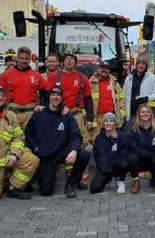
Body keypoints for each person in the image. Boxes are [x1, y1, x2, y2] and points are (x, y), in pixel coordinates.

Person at [25, 87, 90, 198]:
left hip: (61, 151)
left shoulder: (67, 115)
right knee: (46, 192)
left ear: (61, 98)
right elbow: (28, 133)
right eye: (53, 95)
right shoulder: (39, 113)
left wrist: (74, 151)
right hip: (46, 155)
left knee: (84, 154)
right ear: (49, 97)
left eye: (58, 95)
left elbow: (76, 135)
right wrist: (35, 148)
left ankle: (71, 183)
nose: (56, 97)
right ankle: (41, 177)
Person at [46, 52, 94, 189]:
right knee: (55, 143)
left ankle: (82, 179)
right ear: (63, 62)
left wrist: (89, 118)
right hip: (57, 115)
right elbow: (47, 96)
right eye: (67, 59)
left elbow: (88, 99)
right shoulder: (54, 77)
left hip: (76, 114)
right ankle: (52, 177)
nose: (69, 62)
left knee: (83, 144)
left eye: (72, 60)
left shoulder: (82, 78)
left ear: (75, 62)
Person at [0, 47, 46, 130]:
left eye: (26, 58)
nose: (24, 61)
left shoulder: (37, 76)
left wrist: (41, 106)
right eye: (21, 58)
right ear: (17, 59)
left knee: (30, 140)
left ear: (30, 59)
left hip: (31, 113)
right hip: (12, 113)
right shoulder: (5, 75)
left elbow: (44, 94)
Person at [127, 104, 155, 194]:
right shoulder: (133, 130)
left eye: (147, 112)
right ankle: (135, 181)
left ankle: (153, 176)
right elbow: (132, 148)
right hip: (140, 160)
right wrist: (148, 154)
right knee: (132, 157)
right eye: (142, 112)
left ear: (151, 114)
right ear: (138, 114)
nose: (145, 114)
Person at [89, 113, 129, 194]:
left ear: (115, 123)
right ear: (103, 123)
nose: (108, 123)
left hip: (117, 166)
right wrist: (103, 169)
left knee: (124, 163)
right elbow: (97, 156)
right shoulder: (99, 138)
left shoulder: (121, 136)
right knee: (94, 188)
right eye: (106, 121)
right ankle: (108, 178)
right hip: (105, 168)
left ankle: (120, 181)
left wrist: (112, 165)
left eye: (111, 121)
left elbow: (124, 154)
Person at [88, 61, 126, 143]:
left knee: (112, 142)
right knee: (96, 142)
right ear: (97, 69)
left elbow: (121, 100)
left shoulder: (114, 83)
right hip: (97, 119)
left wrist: (122, 116)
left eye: (106, 69)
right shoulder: (90, 83)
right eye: (102, 68)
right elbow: (86, 102)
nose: (104, 70)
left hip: (111, 118)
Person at [123, 54, 155, 130]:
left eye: (143, 63)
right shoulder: (129, 78)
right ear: (136, 65)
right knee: (130, 138)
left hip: (145, 116)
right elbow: (123, 95)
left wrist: (147, 98)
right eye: (139, 63)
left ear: (146, 66)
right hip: (131, 115)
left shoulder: (152, 77)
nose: (141, 65)